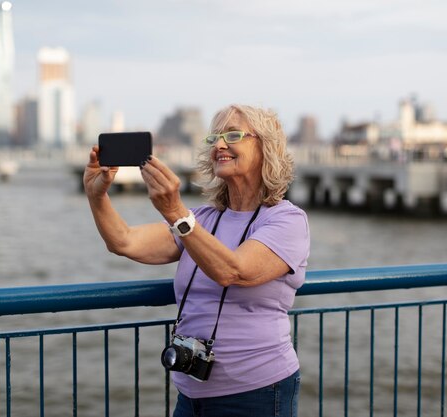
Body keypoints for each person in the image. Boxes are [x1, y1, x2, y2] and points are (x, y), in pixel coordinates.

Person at [83, 104, 310, 417]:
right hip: (190, 394)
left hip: (257, 392)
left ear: (266, 148)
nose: (219, 145)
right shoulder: (202, 219)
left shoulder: (287, 221)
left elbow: (234, 271)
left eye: (233, 135)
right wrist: (96, 196)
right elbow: (123, 241)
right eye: (214, 137)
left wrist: (176, 213)